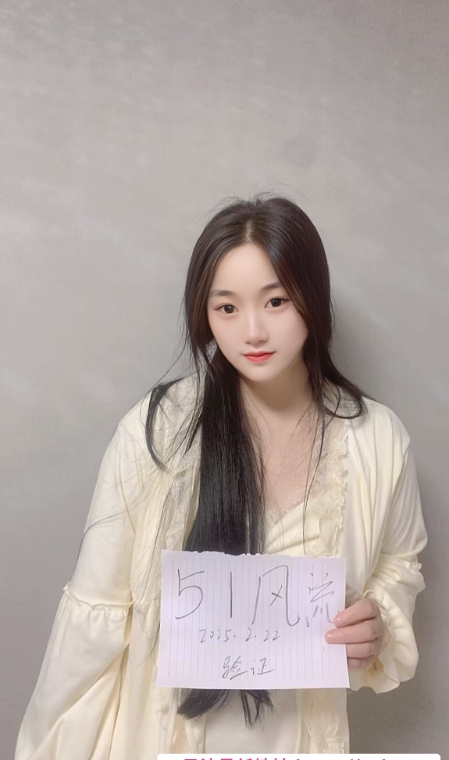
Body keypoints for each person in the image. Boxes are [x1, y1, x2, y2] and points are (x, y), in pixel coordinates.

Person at [15, 196, 427, 759]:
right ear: (203, 314)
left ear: (313, 296)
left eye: (276, 301)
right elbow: (96, 619)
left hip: (305, 741)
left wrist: (380, 621)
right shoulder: (158, 432)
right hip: (163, 740)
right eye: (227, 308)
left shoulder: (377, 440)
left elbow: (400, 566)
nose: (252, 331)